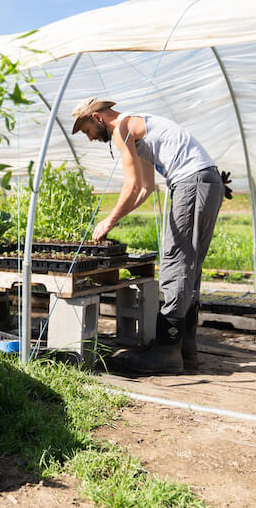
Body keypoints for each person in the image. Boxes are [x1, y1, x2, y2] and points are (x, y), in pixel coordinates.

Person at [71, 97, 226, 374]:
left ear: (97, 118)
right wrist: (116, 218)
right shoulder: (136, 127)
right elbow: (145, 189)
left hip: (192, 181)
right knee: (189, 265)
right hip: (204, 180)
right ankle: (185, 349)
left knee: (176, 261)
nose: (90, 138)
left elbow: (131, 185)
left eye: (86, 131)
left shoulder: (121, 128)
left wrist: (108, 220)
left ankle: (166, 352)